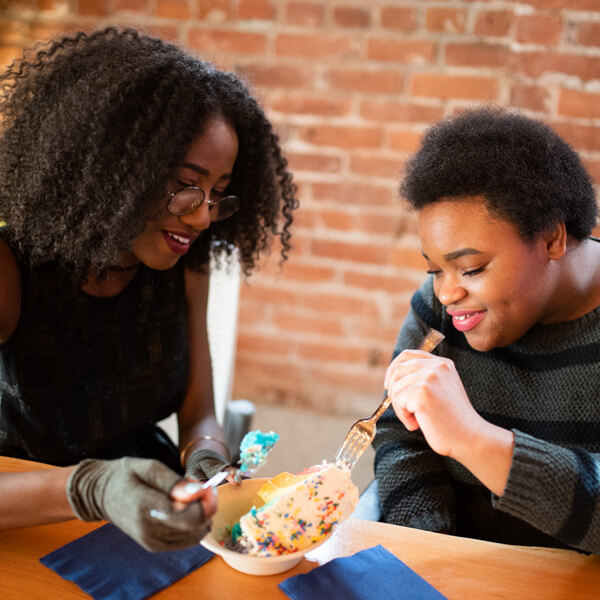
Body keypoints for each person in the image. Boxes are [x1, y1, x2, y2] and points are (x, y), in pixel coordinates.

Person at [0, 27, 298, 550]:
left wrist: (206, 457)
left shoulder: (186, 266)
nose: (204, 215)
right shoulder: (10, 269)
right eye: (187, 183)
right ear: (117, 167)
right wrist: (88, 488)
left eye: (218, 194)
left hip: (146, 510)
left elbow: (199, 411)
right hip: (24, 521)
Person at [373, 106, 600, 554]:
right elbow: (400, 436)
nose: (446, 293)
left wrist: (472, 438)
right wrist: (436, 553)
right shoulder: (440, 311)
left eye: (471, 268)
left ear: (552, 238)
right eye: (435, 268)